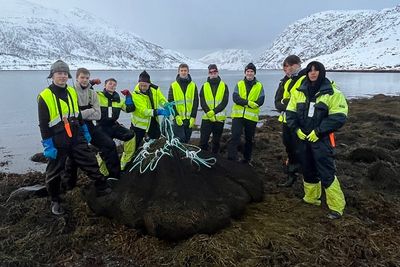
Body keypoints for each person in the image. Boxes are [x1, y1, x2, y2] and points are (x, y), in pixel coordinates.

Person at [38, 60, 110, 215]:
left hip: (76, 134)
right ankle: (55, 200)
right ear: (52, 75)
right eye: (59, 73)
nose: (62, 76)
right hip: (58, 139)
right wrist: (48, 145)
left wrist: (85, 129)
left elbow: (76, 113)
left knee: (89, 160)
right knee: (55, 171)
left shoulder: (71, 91)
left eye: (65, 73)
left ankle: (102, 186)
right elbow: (43, 124)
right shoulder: (44, 96)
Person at [286, 61, 348, 219]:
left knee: (326, 170)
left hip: (320, 139)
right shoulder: (299, 91)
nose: (313, 73)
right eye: (310, 70)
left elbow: (339, 116)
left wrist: (319, 132)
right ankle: (311, 198)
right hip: (303, 138)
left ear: (321, 72)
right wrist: (296, 129)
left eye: (316, 70)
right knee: (307, 168)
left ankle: (336, 206)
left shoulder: (332, 92)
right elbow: (290, 112)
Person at [62, 67, 101, 190]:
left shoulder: (92, 93)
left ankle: (97, 181)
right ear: (76, 78)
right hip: (72, 128)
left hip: (87, 126)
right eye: (82, 77)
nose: (85, 80)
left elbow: (98, 114)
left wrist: (81, 113)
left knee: (85, 156)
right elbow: (70, 114)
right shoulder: (70, 92)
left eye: (87, 78)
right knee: (72, 158)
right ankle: (69, 185)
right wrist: (90, 110)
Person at [93, 78, 135, 179]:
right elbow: (86, 93)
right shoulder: (98, 95)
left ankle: (124, 162)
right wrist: (92, 82)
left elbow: (130, 109)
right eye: (110, 84)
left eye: (114, 84)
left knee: (130, 135)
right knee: (105, 150)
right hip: (101, 127)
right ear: (105, 85)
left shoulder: (119, 99)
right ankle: (103, 172)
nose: (112, 86)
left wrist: (128, 96)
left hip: (113, 125)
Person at [275, 55, 307, 187]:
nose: (286, 70)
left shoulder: (305, 79)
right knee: (290, 148)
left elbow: (303, 101)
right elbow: (278, 102)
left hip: (300, 121)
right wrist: (287, 103)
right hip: (286, 120)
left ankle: (308, 178)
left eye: (288, 66)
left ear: (297, 65)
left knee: (302, 149)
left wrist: (287, 102)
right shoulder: (286, 81)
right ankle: (291, 176)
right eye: (285, 68)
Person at [228, 63, 265, 164]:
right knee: (235, 136)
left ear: (254, 73)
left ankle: (247, 159)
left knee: (249, 139)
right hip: (238, 116)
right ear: (245, 73)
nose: (249, 73)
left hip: (251, 118)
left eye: (251, 71)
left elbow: (261, 101)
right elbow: (235, 98)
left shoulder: (259, 85)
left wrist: (244, 103)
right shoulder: (239, 84)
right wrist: (248, 103)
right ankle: (231, 158)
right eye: (248, 71)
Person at [130, 70, 169, 149]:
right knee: (134, 146)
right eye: (141, 85)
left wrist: (167, 105)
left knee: (156, 141)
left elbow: (161, 99)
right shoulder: (135, 94)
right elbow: (143, 111)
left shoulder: (155, 90)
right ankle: (129, 160)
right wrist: (159, 111)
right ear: (138, 83)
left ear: (149, 84)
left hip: (153, 120)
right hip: (139, 125)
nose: (143, 87)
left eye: (145, 85)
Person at [199, 64, 229, 153]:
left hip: (219, 118)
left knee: (216, 142)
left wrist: (214, 112)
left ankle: (215, 159)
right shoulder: (204, 86)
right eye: (211, 72)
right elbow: (202, 101)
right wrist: (208, 112)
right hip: (207, 118)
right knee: (203, 141)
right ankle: (203, 158)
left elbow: (224, 102)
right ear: (208, 73)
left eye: (214, 72)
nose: (213, 74)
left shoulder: (224, 85)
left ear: (217, 72)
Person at [168, 63, 199, 143]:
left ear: (188, 72)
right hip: (178, 119)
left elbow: (196, 102)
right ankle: (178, 155)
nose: (183, 72)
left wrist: (193, 116)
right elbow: (170, 102)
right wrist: (176, 116)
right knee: (180, 139)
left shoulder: (193, 85)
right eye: (181, 70)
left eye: (185, 70)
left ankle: (185, 155)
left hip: (189, 119)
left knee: (187, 139)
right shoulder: (173, 85)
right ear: (178, 72)